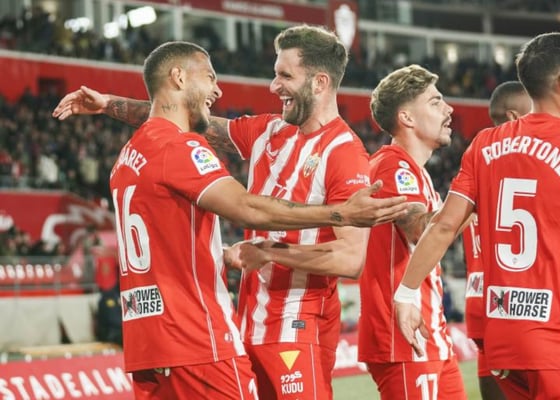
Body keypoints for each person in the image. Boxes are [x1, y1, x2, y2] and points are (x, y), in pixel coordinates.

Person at [53, 27, 408, 399]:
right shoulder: (267, 132)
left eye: (285, 75)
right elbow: (176, 112)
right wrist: (108, 104)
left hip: (295, 329)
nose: (274, 85)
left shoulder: (344, 151)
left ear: (320, 82)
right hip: (243, 328)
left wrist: (268, 253)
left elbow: (350, 259)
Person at [395, 32, 560, 399]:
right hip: (552, 333)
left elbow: (443, 226)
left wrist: (405, 294)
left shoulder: (485, 144)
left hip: (503, 334)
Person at [462, 80, 530, 400]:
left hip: (483, 302)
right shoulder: (534, 164)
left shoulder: (477, 160)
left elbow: (446, 224)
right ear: (515, 116)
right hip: (525, 302)